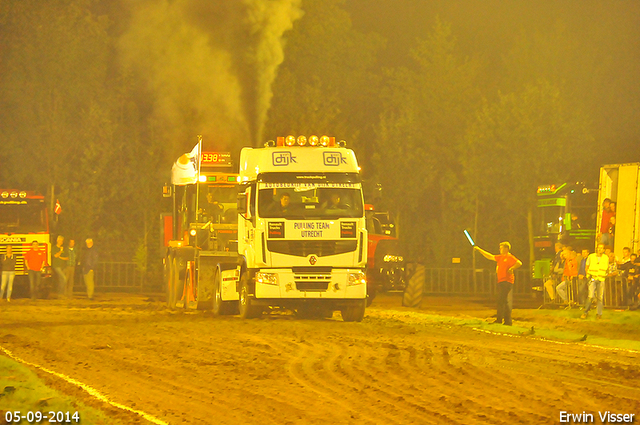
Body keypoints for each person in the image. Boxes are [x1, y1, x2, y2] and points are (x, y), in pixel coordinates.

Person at [474, 242, 522, 326]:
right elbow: (490, 256)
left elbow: (519, 263)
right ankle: (504, 320)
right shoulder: (500, 257)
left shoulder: (509, 257)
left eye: (501, 248)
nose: (499, 249)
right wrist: (480, 250)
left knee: (502, 300)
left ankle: (504, 320)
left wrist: (512, 268)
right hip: (501, 281)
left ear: (506, 248)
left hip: (507, 281)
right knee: (503, 300)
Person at [581, 243, 609, 319]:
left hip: (601, 279)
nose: (599, 249)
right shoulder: (591, 256)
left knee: (600, 297)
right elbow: (587, 267)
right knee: (590, 296)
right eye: (598, 248)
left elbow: (606, 268)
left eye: (601, 248)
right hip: (592, 278)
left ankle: (599, 314)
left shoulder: (606, 257)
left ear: (603, 250)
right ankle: (585, 312)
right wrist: (588, 276)